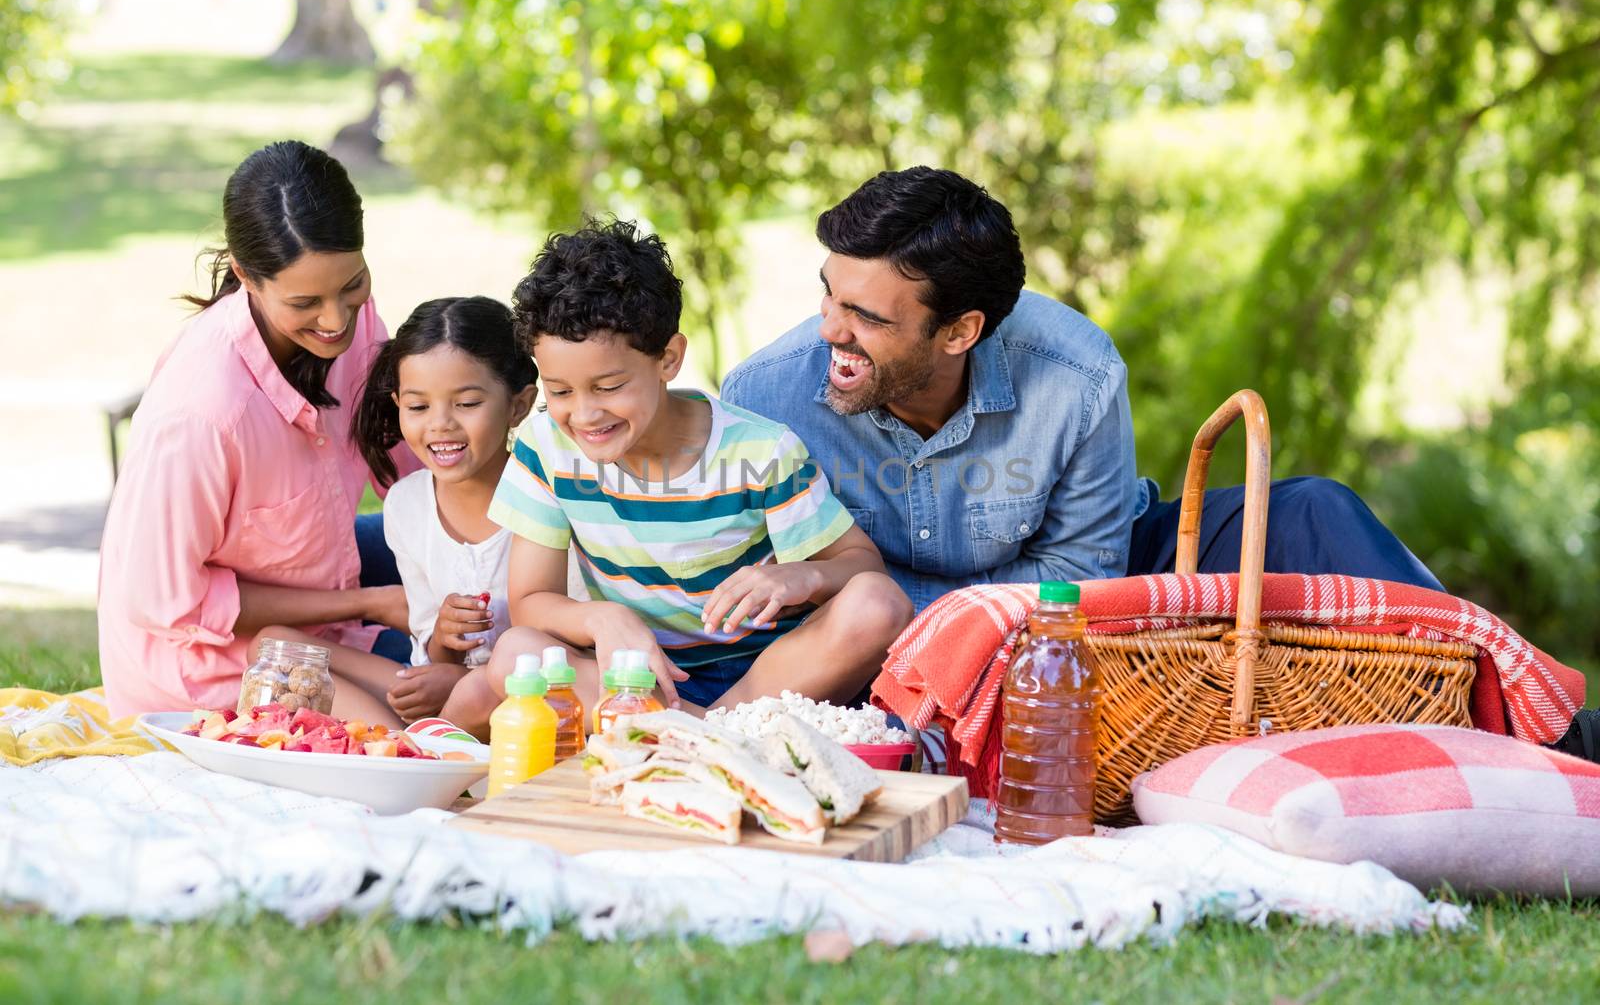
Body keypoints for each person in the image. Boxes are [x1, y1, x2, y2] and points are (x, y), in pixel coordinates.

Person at [721, 166, 1445, 613]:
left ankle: (1525, 719)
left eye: (866, 317)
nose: (829, 332)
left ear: (960, 331)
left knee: (1315, 512)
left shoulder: (1077, 374)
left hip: (1098, 591)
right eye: (829, 296)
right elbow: (759, 582)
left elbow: (1085, 578)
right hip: (870, 634)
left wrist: (896, 603)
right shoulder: (764, 396)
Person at [484, 218, 914, 716]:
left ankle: (708, 731)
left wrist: (801, 577)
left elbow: (862, 566)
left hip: (769, 674)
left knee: (877, 603)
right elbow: (532, 600)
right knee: (515, 654)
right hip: (637, 676)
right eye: (560, 391)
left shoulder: (759, 451)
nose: (583, 414)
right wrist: (601, 620)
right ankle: (705, 734)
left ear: (668, 358)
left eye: (608, 387)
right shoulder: (547, 446)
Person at [98, 141, 418, 718]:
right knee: (452, 693)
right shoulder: (203, 413)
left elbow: (408, 451)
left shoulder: (346, 313)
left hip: (320, 579)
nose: (338, 320)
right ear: (247, 276)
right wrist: (372, 601)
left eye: (353, 285)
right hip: (213, 661)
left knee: (497, 601)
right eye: (307, 302)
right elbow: (168, 602)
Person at [253, 296, 542, 732]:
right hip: (445, 689)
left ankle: (422, 750)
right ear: (398, 404)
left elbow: (561, 649)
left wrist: (462, 678)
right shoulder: (407, 504)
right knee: (272, 646)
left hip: (525, 694)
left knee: (478, 692)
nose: (440, 424)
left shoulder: (544, 498)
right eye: (419, 407)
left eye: (466, 403)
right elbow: (427, 652)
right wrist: (444, 645)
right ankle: (406, 748)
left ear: (518, 405)